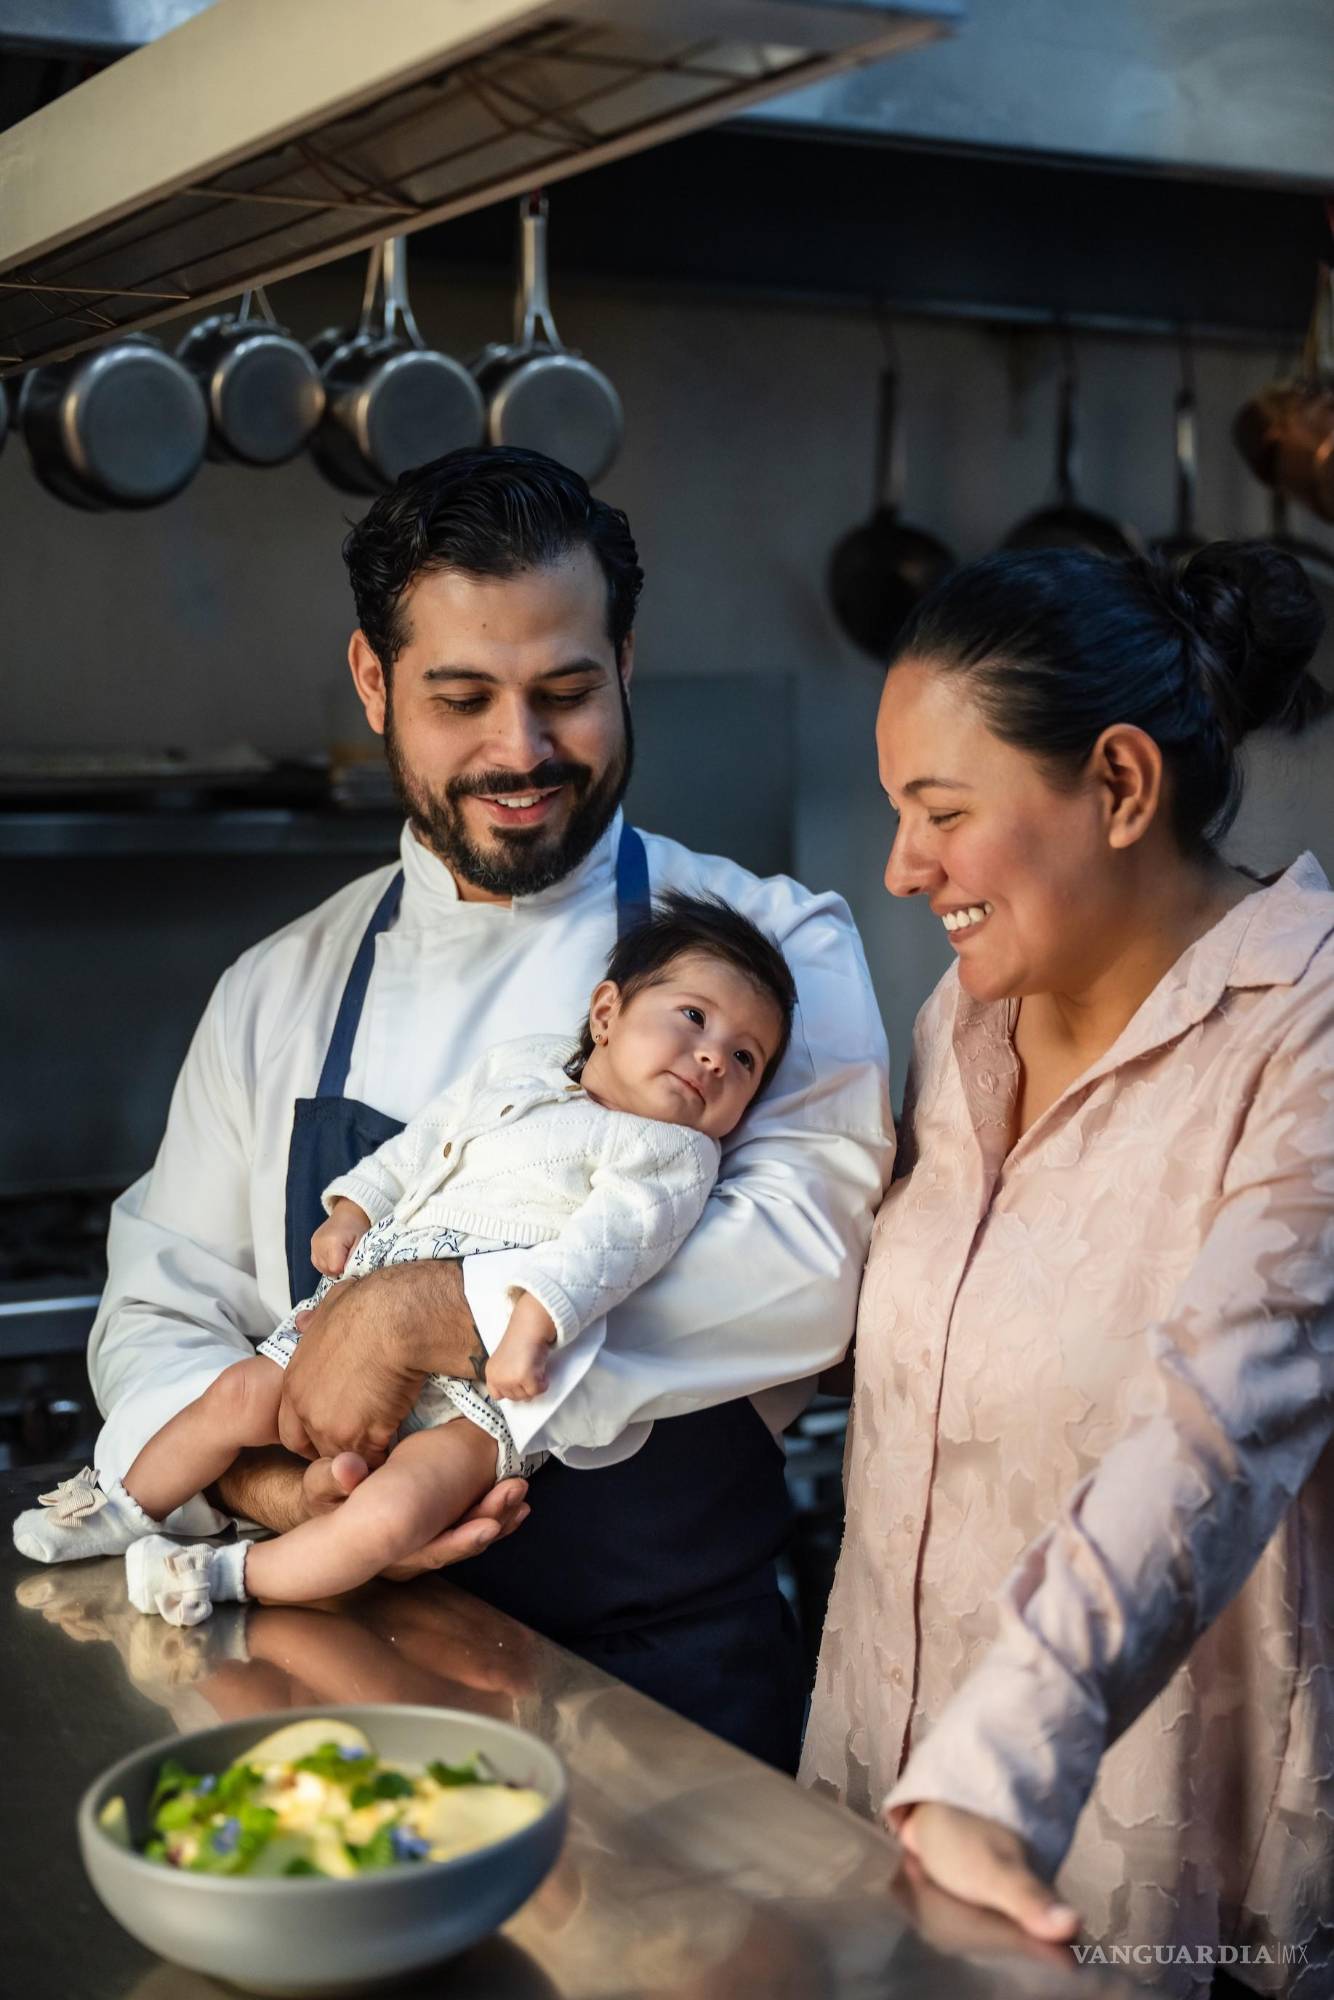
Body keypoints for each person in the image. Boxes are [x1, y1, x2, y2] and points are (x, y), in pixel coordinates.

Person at [81, 445, 892, 1769]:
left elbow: (809, 1275)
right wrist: (262, 1474)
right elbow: (162, 1307)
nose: (519, 751)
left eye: (564, 692)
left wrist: (410, 1317)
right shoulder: (277, 990)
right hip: (333, 1677)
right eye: (461, 698)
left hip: (673, 1702)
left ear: (625, 664)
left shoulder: (773, 952)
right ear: (371, 680)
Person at [800, 541, 1334, 1997]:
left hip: (1146, 1904)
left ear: (1115, 786)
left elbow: (1212, 1427)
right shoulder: (955, 1025)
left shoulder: (1304, 1031)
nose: (902, 864)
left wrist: (994, 1772)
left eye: (941, 812)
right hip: (873, 1832)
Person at [17, 896, 796, 1626]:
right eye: (692, 1018)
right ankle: (121, 1510)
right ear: (604, 1014)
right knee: (234, 1394)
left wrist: (530, 1326)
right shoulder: (518, 1065)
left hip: (481, 1401)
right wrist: (355, 1206)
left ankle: (223, 1579)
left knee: (388, 1517)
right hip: (345, 1314)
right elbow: (422, 1144)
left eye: (746, 1059)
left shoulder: (674, 1153)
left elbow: (610, 1249)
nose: (712, 1057)